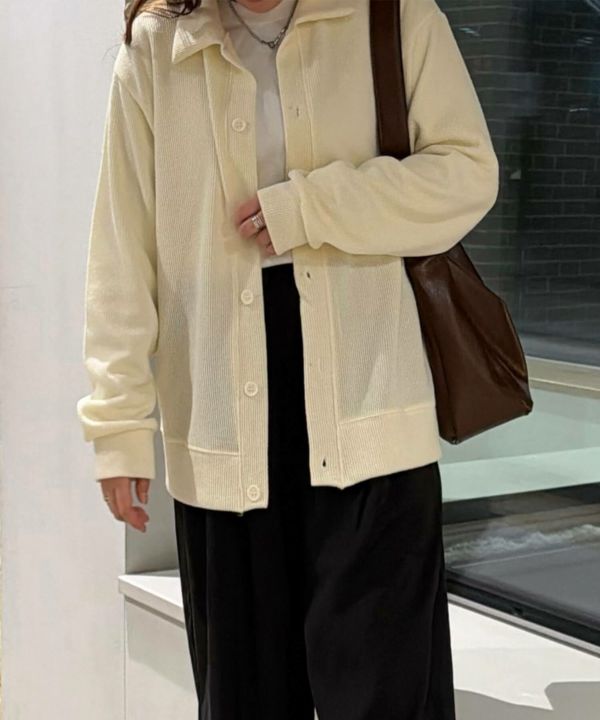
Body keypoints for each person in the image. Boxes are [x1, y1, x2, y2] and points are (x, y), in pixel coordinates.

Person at [77, 0, 499, 717]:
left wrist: (311, 208)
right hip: (222, 416)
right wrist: (118, 424)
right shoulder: (158, 44)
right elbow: (123, 248)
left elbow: (467, 172)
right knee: (246, 698)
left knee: (385, 696)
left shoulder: (392, 14)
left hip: (371, 401)